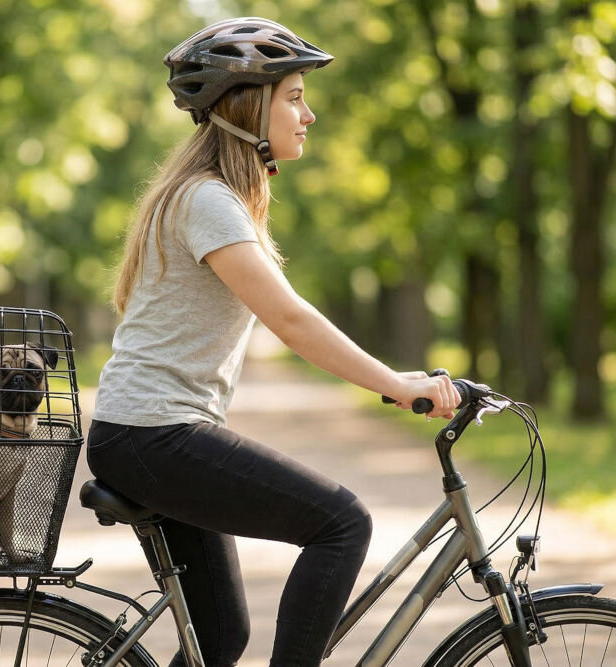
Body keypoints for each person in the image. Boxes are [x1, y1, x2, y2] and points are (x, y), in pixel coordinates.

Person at [86, 17, 460, 667]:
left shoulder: (210, 196)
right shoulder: (207, 201)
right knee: (342, 523)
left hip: (145, 432)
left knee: (221, 635)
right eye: (293, 96)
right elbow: (291, 321)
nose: (308, 114)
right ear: (247, 106)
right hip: (153, 433)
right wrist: (398, 385)